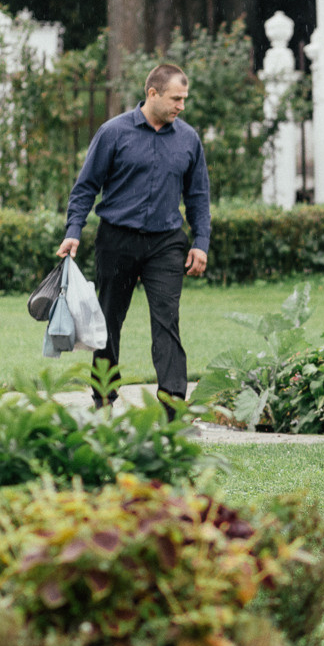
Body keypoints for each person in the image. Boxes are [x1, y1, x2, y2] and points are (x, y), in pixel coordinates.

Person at [57, 62, 212, 409]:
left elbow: (198, 196)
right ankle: (103, 399)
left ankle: (173, 405)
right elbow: (86, 187)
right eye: (175, 98)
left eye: (184, 99)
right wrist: (73, 231)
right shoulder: (113, 133)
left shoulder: (188, 139)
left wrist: (201, 242)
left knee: (167, 321)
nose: (181, 106)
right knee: (108, 321)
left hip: (166, 243)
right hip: (117, 239)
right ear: (152, 93)